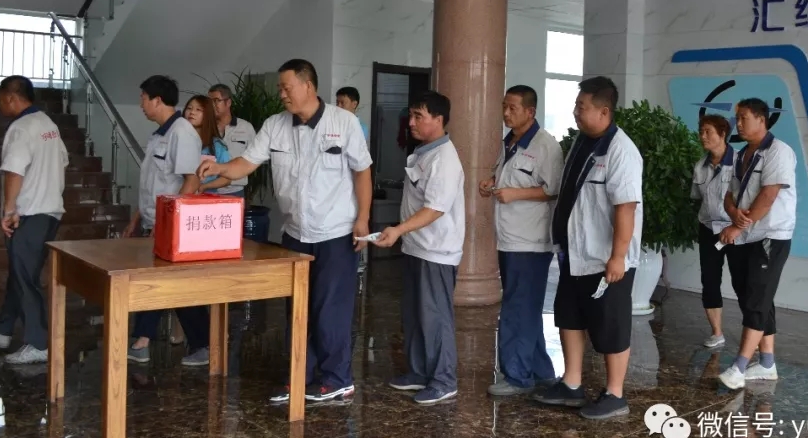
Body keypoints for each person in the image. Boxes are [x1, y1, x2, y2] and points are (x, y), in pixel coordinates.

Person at [199, 59, 372, 404]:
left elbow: (362, 171)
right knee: (299, 309)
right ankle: (299, 376)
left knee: (330, 310)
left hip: (336, 233)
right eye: (280, 88)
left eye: (286, 87)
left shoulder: (343, 122)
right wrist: (220, 168)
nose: (281, 94)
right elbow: (247, 163)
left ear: (308, 86)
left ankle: (337, 378)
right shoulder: (275, 125)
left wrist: (363, 219)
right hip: (295, 233)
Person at [534, 76, 642, 420]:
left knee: (610, 325)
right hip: (574, 253)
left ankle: (615, 394)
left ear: (604, 111)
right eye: (576, 106)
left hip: (604, 258)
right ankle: (572, 383)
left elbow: (626, 207)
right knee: (569, 316)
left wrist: (618, 257)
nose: (575, 112)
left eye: (582, 107)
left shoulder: (620, 151)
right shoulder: (583, 142)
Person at [373, 91, 464, 405]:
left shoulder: (444, 159)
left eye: (418, 116)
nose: (410, 122)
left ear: (438, 120)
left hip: (436, 251)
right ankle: (418, 371)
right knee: (414, 315)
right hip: (416, 247)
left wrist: (398, 230)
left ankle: (443, 380)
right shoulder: (423, 152)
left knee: (435, 317)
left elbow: (435, 209)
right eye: (410, 115)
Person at [0, 76, 68, 365]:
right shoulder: (48, 125)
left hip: (29, 214)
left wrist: (9, 209)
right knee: (20, 272)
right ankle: (3, 329)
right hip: (49, 211)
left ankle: (39, 344)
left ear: (12, 98)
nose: (0, 105)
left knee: (25, 278)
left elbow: (14, 171)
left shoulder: (21, 128)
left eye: (1, 99)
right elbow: (63, 161)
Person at [479, 85, 563, 396]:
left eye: (512, 108)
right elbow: (510, 176)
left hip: (530, 240)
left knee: (517, 308)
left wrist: (515, 194)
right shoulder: (510, 142)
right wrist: (492, 182)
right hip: (510, 237)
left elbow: (553, 189)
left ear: (530, 111)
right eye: (504, 106)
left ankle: (517, 377)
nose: (506, 113)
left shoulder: (545, 146)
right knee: (525, 307)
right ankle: (540, 371)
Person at [122, 75, 210, 367]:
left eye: (143, 98)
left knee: (159, 283)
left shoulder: (181, 133)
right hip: (156, 221)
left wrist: (168, 224)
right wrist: (136, 219)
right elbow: (153, 184)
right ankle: (199, 343)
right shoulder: (160, 134)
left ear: (157, 100)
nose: (141, 104)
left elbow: (191, 181)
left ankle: (143, 342)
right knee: (169, 284)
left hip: (172, 225)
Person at [717, 98, 797, 391]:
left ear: (762, 119)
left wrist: (737, 226)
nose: (738, 124)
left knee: (757, 298)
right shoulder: (741, 154)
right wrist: (732, 212)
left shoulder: (779, 151)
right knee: (754, 297)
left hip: (770, 235)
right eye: (737, 118)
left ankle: (739, 367)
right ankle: (766, 362)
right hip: (746, 235)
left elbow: (768, 195)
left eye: (744, 118)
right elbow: (730, 194)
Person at [691, 114, 736, 350]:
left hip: (736, 230)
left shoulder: (739, 162)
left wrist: (736, 225)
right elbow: (697, 197)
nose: (703, 136)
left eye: (708, 131)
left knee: (744, 283)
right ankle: (717, 333)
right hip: (708, 229)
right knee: (709, 280)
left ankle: (756, 335)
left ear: (722, 133)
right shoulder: (700, 166)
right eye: (701, 131)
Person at [207, 84, 256, 198]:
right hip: (208, 189)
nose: (212, 105)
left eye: (216, 100)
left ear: (228, 102)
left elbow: (254, 158)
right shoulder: (205, 128)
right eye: (209, 102)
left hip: (235, 191)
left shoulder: (245, 127)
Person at [182, 95, 233, 194]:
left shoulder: (217, 145)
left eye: (198, 109)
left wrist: (205, 186)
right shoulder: (177, 139)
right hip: (178, 194)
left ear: (208, 115)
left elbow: (227, 178)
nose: (192, 112)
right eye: (189, 108)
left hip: (206, 198)